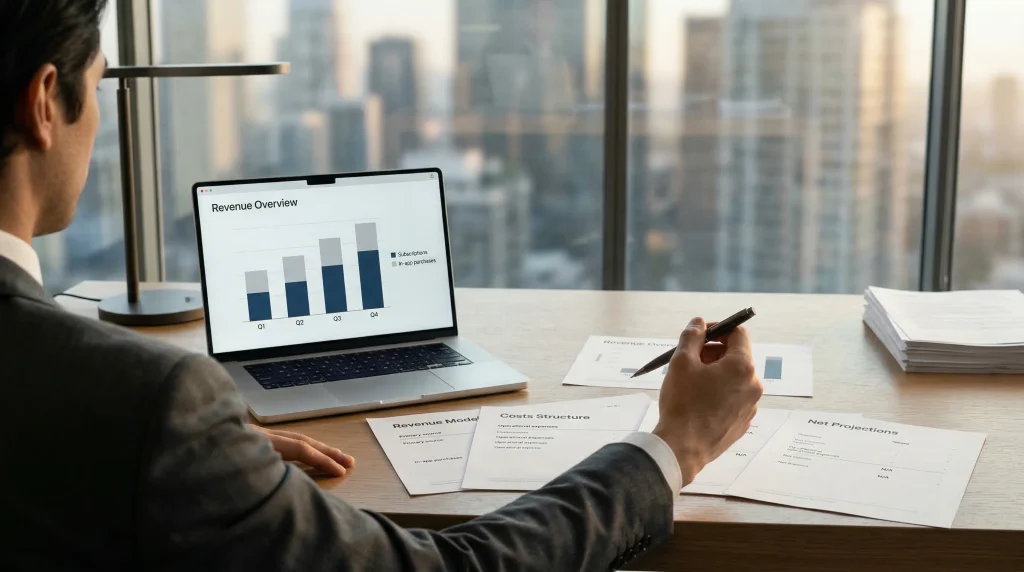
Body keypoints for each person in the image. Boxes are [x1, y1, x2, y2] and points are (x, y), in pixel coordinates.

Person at [0, 1, 763, 570]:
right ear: (44, 104)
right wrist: (674, 446)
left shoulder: (132, 410)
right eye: (100, 86)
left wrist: (190, 454)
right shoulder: (146, 400)